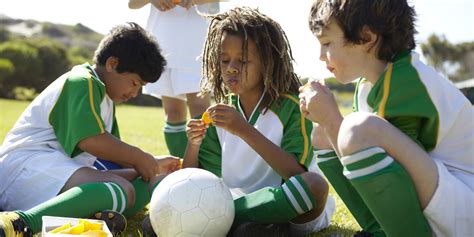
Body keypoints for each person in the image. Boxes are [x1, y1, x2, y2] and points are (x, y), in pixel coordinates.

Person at [300, 0, 474, 236]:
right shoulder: (367, 86)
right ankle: (380, 230)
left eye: (327, 43)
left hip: (465, 207)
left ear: (366, 37)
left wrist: (332, 119)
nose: (321, 55)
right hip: (444, 199)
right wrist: (327, 123)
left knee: (355, 129)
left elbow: (401, 177)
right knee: (323, 133)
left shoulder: (406, 78)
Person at [0, 23, 181, 236]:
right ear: (113, 64)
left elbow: (114, 157)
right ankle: (19, 223)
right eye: (134, 83)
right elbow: (91, 140)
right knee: (121, 188)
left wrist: (153, 164)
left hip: (55, 170)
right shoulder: (82, 81)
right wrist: (139, 157)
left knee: (145, 182)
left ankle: (78, 216)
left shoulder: (106, 99)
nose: (135, 93)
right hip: (24, 169)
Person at [182, 7, 335, 236]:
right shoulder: (219, 112)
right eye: (224, 60)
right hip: (240, 203)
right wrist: (193, 145)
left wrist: (243, 130)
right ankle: (245, 225)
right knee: (170, 183)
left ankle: (225, 223)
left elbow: (294, 173)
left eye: (242, 61)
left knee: (315, 185)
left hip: (289, 206)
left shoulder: (291, 107)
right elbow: (199, 182)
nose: (231, 68)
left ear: (266, 62)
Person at [128, 0, 211, 158]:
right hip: (163, 43)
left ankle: (209, 170)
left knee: (200, 110)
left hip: (196, 43)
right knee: (173, 112)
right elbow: (133, 3)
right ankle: (181, 169)